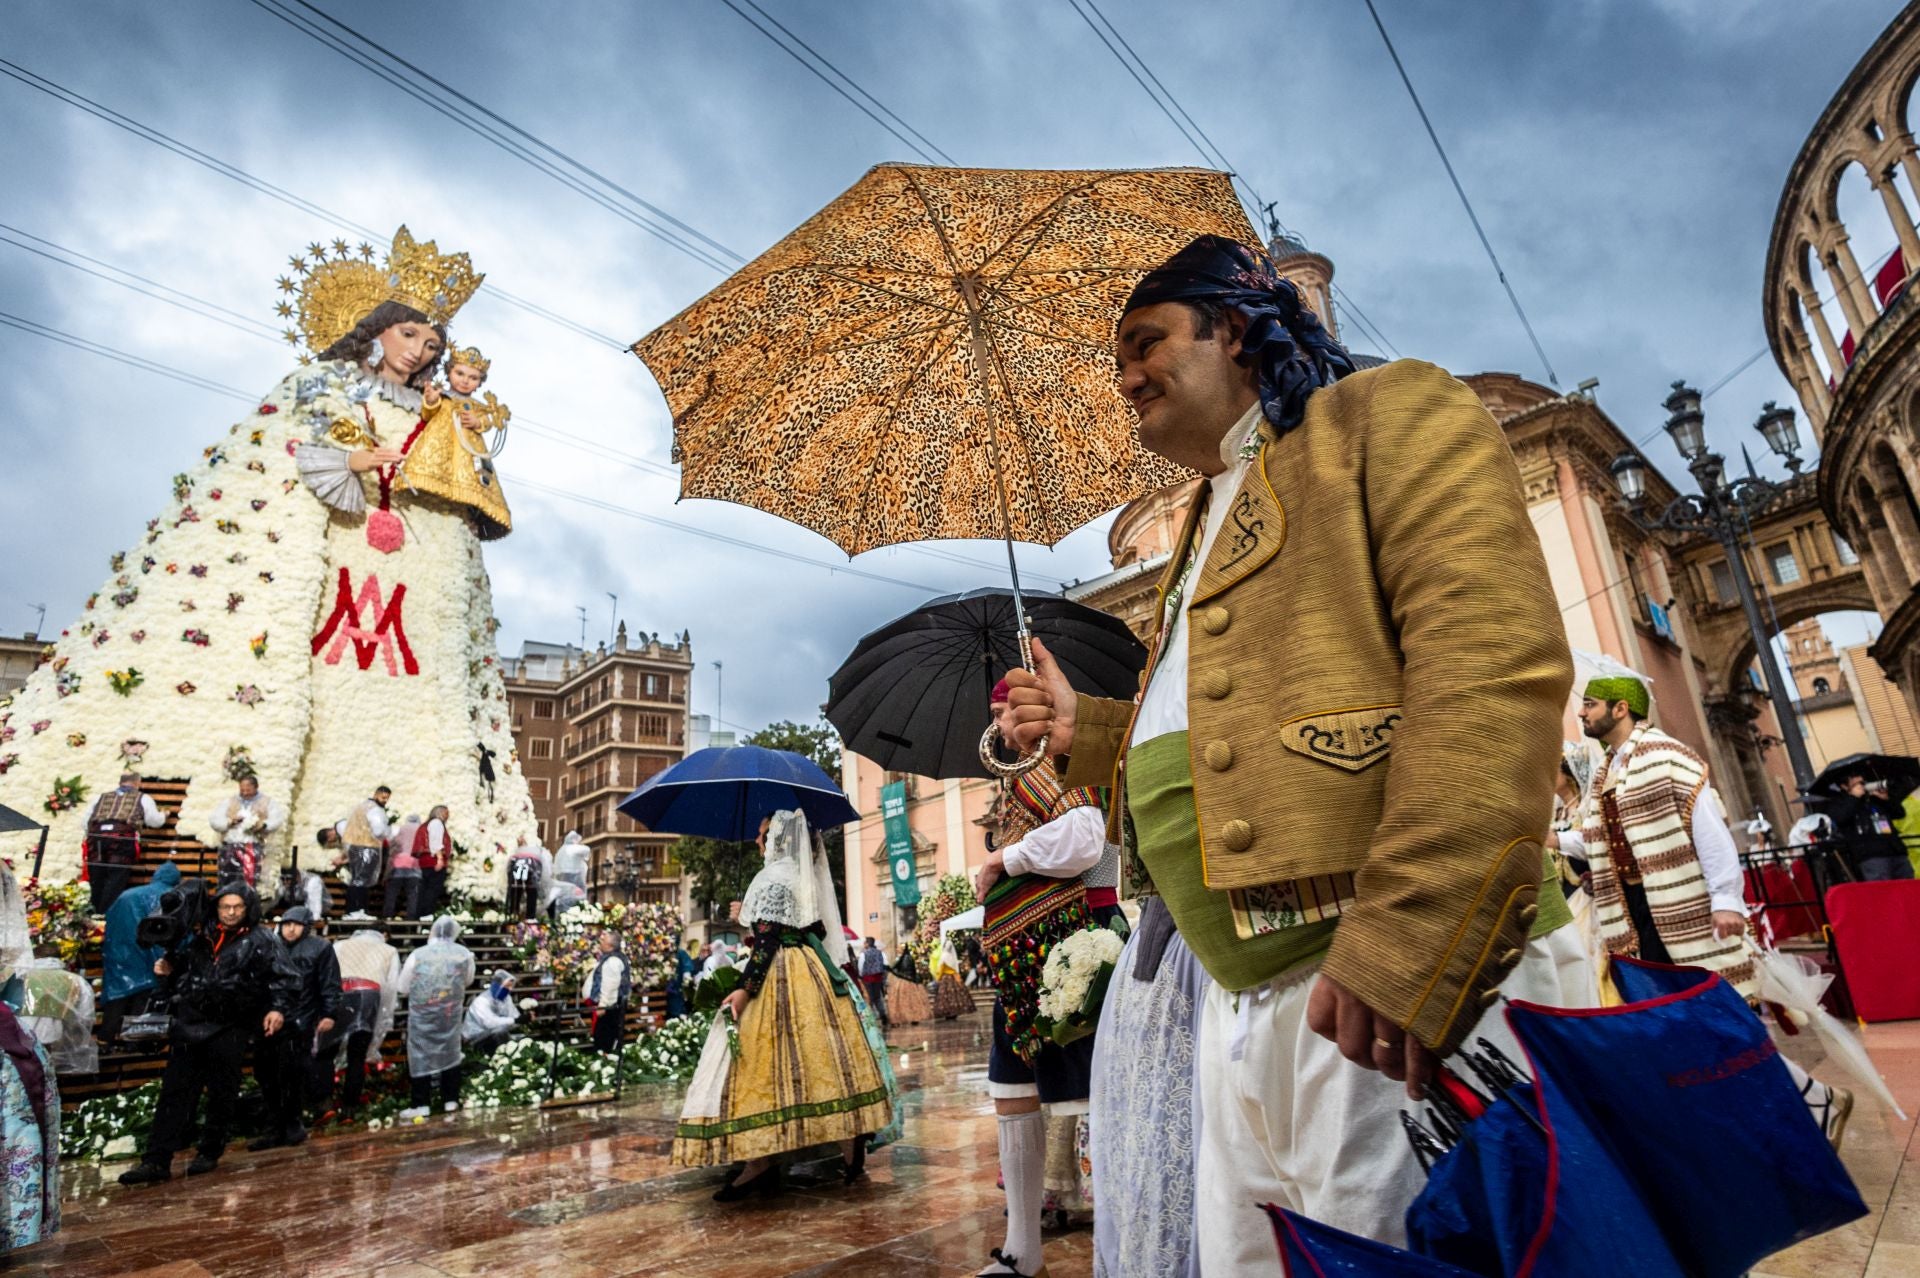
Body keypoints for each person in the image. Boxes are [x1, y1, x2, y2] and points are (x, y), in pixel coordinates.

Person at [1002, 235, 1574, 1264]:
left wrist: (1416, 935)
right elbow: (1217, 721)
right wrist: (1081, 728)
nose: (1126, 378)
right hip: (1247, 994)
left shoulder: (1392, 412)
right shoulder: (1206, 513)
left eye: (1146, 343)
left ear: (1234, 328)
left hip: (1379, 973)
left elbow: (1491, 670)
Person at [0, 228, 538, 899]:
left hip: (413, 582)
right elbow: (291, 452)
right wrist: (352, 460)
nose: (419, 355)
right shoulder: (323, 384)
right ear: (377, 330)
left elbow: (471, 491)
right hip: (329, 561)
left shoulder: (440, 414)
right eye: (411, 339)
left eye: (432, 347)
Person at [1573, 674, 1854, 1148]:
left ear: (1621, 709)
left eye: (1591, 704)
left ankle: (1813, 1097)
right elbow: (1595, 838)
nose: (1582, 713)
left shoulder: (1666, 757)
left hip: (1683, 909)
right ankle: (1752, 1113)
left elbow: (1708, 829)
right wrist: (1551, 839)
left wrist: (1726, 900)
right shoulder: (1607, 772)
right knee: (1675, 1019)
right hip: (1640, 915)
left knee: (1713, 1012)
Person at [975, 685, 1121, 1278]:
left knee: (1092, 1102)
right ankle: (1021, 1252)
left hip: (1076, 944)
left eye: (1005, 711)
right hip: (1023, 959)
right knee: (1013, 1096)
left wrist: (1001, 861)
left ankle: (1120, 1250)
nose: (1000, 724)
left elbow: (1087, 840)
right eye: (996, 714)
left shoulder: (1066, 761)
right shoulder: (1020, 776)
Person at [674, 810, 891, 1199]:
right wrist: (751, 919)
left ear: (779, 838)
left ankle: (760, 1160)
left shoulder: (772, 876)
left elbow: (768, 941)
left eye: (763, 835)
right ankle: (848, 1139)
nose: (758, 842)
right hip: (812, 968)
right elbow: (815, 928)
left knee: (760, 1063)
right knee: (821, 1058)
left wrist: (744, 988)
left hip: (777, 971)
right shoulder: (804, 876)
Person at [118, 881, 297, 1184]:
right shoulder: (198, 936)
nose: (230, 913)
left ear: (247, 908)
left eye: (237, 907)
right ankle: (156, 1161)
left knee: (221, 1094)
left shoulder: (263, 939)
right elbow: (181, 976)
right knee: (174, 1093)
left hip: (231, 1025)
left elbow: (287, 977)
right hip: (190, 1023)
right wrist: (167, 973)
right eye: (225, 906)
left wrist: (277, 1008)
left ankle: (210, 1151)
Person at [250, 905, 341, 1151]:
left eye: (296, 924)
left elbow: (330, 983)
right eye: (287, 924)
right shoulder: (268, 945)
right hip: (268, 1020)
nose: (291, 929)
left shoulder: (320, 948)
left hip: (301, 1020)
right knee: (266, 1074)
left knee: (292, 1074)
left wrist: (328, 1014)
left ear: (306, 926)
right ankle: (273, 1127)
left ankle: (292, 1125)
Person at [408, 346, 511, 539]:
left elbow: (487, 422)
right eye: (460, 373)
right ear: (449, 372)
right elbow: (427, 414)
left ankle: (465, 517)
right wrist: (430, 401)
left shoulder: (478, 407)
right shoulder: (442, 397)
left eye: (473, 378)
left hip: (468, 452)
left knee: (471, 480)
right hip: (439, 445)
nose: (465, 381)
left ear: (479, 383)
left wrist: (477, 422)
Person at [395, 915, 475, 1119]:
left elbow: (403, 986)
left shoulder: (418, 954)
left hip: (423, 1015)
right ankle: (450, 1100)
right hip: (449, 1013)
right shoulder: (464, 954)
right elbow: (468, 980)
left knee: (421, 1054)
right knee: (451, 1051)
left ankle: (421, 1103)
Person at [99, 860, 180, 1042]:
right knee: (143, 1003)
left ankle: (105, 1040)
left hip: (121, 957)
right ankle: (134, 1043)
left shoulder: (126, 896)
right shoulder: (172, 898)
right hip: (153, 959)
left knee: (117, 999)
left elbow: (110, 924)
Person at [324, 926, 400, 1117]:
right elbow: (391, 987)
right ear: (383, 935)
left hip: (339, 995)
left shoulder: (340, 945)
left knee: (328, 1051)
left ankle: (324, 1105)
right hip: (368, 997)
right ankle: (349, 1108)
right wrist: (384, 1017)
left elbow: (326, 973)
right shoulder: (389, 950)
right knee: (357, 1056)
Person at [83, 772, 165, 912]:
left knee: (96, 877)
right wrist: (164, 814)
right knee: (116, 878)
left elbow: (85, 822)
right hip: (121, 839)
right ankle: (105, 914)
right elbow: (154, 821)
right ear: (137, 783)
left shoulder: (101, 797)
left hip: (96, 838)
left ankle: (92, 912)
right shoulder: (143, 798)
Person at [205, 774, 286, 889]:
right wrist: (229, 822)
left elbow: (277, 819)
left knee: (250, 878)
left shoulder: (267, 802)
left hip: (252, 846)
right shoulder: (230, 801)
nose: (245, 793)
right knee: (228, 878)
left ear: (256, 787)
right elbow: (214, 820)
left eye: (248, 790)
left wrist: (263, 825)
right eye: (242, 790)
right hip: (230, 846)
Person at [1831, 774, 1913, 881]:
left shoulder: (1873, 798)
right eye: (1856, 782)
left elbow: (1900, 813)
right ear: (1844, 786)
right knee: (1883, 891)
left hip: (1895, 850)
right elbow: (1839, 818)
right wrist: (1854, 797)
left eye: (1863, 781)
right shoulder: (1840, 802)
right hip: (1872, 855)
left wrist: (1886, 799)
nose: (1862, 783)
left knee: (1908, 888)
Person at [340, 788, 391, 921]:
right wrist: (388, 830)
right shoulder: (375, 810)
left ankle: (354, 910)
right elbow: (379, 830)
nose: (385, 801)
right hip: (367, 846)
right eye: (383, 797)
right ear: (376, 795)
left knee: (357, 879)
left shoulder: (362, 806)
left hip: (355, 846)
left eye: (387, 798)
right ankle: (356, 910)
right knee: (361, 880)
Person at [583, 932, 631, 1054]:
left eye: (603, 941)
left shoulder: (613, 961)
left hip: (609, 1008)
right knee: (605, 1038)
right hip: (610, 1006)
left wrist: (603, 1005)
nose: (600, 943)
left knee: (604, 1040)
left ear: (610, 945)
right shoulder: (612, 958)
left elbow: (610, 986)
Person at [463, 970, 518, 1055]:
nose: (510, 989)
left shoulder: (506, 999)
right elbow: (490, 1023)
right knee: (499, 1034)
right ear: (498, 985)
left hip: (495, 1035)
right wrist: (514, 1020)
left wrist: (521, 1018)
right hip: (476, 1038)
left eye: (511, 986)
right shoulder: (482, 1001)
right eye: (507, 986)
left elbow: (514, 1015)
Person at [382, 812, 423, 921]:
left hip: (397, 865)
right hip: (414, 866)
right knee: (412, 896)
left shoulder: (400, 829)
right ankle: (411, 919)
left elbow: (392, 845)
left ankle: (388, 916)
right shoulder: (421, 831)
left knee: (392, 894)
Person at [417, 804, 452, 918]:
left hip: (426, 862)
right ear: (440, 813)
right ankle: (427, 914)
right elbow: (435, 843)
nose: (448, 816)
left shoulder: (428, 824)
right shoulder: (436, 823)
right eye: (446, 813)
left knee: (425, 890)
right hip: (433, 861)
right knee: (432, 890)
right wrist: (440, 859)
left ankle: (422, 914)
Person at [269, 860, 329, 924]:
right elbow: (276, 897)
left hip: (317, 909)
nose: (285, 882)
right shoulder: (283, 882)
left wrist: (312, 922)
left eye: (288, 879)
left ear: (297, 876)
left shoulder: (312, 882)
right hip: (292, 908)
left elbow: (315, 905)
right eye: (283, 879)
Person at [506, 835, 551, 920]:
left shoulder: (516, 855)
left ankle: (513, 914)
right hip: (532, 869)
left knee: (516, 891)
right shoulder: (534, 852)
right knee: (531, 892)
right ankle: (529, 917)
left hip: (520, 869)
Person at [547, 832, 590, 916]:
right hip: (573, 876)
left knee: (564, 898)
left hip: (561, 879)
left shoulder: (560, 851)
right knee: (576, 897)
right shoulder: (572, 848)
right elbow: (586, 850)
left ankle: (563, 914)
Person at [887, 947, 932, 1026]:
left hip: (903, 981)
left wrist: (890, 970)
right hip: (911, 982)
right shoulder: (909, 958)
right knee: (912, 1000)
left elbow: (898, 970)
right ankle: (914, 1018)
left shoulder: (903, 959)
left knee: (901, 1001)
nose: (898, 949)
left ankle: (902, 1018)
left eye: (900, 948)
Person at [857, 937, 890, 1027]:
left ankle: (871, 1017)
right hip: (878, 977)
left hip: (867, 978)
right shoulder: (880, 953)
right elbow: (883, 964)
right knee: (878, 997)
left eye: (865, 943)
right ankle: (883, 1015)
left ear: (867, 943)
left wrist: (861, 975)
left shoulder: (864, 954)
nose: (864, 944)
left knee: (869, 998)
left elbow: (860, 966)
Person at [667, 940, 697, 1020]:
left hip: (676, 987)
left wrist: (686, 977)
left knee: (676, 1005)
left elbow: (687, 966)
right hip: (667, 987)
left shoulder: (680, 953)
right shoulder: (665, 953)